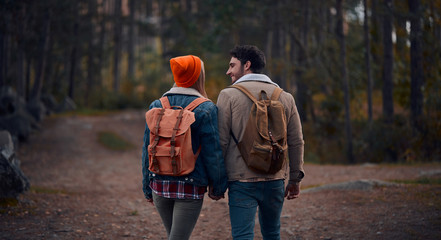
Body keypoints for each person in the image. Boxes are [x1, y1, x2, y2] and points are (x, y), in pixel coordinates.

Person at [217, 45, 305, 240]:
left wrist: (217, 182)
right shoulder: (285, 97)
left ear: (246, 65)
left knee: (242, 235)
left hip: (241, 180)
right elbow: (296, 141)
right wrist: (295, 179)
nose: (228, 71)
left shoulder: (228, 95)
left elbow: (221, 142)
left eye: (232, 65)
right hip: (275, 178)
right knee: (272, 233)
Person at [142, 55, 228, 240]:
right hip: (190, 185)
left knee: (174, 235)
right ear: (198, 77)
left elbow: (146, 149)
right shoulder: (206, 108)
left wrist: (147, 186)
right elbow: (212, 152)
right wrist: (218, 187)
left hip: (159, 183)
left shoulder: (157, 105)